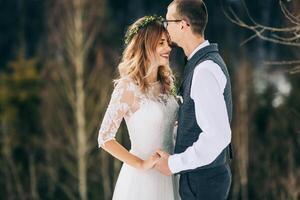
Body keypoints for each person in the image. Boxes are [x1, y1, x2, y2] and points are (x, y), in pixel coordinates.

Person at [155, 0, 233, 199]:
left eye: (168, 22)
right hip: (202, 180)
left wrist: (173, 164)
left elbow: (218, 136)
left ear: (183, 24)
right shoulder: (201, 63)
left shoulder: (204, 70)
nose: (165, 27)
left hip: (203, 183)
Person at [97, 16, 180, 200]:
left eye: (168, 43)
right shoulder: (127, 87)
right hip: (143, 180)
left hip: (170, 174)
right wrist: (141, 164)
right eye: (161, 43)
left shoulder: (166, 85)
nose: (168, 48)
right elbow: (104, 137)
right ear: (145, 46)